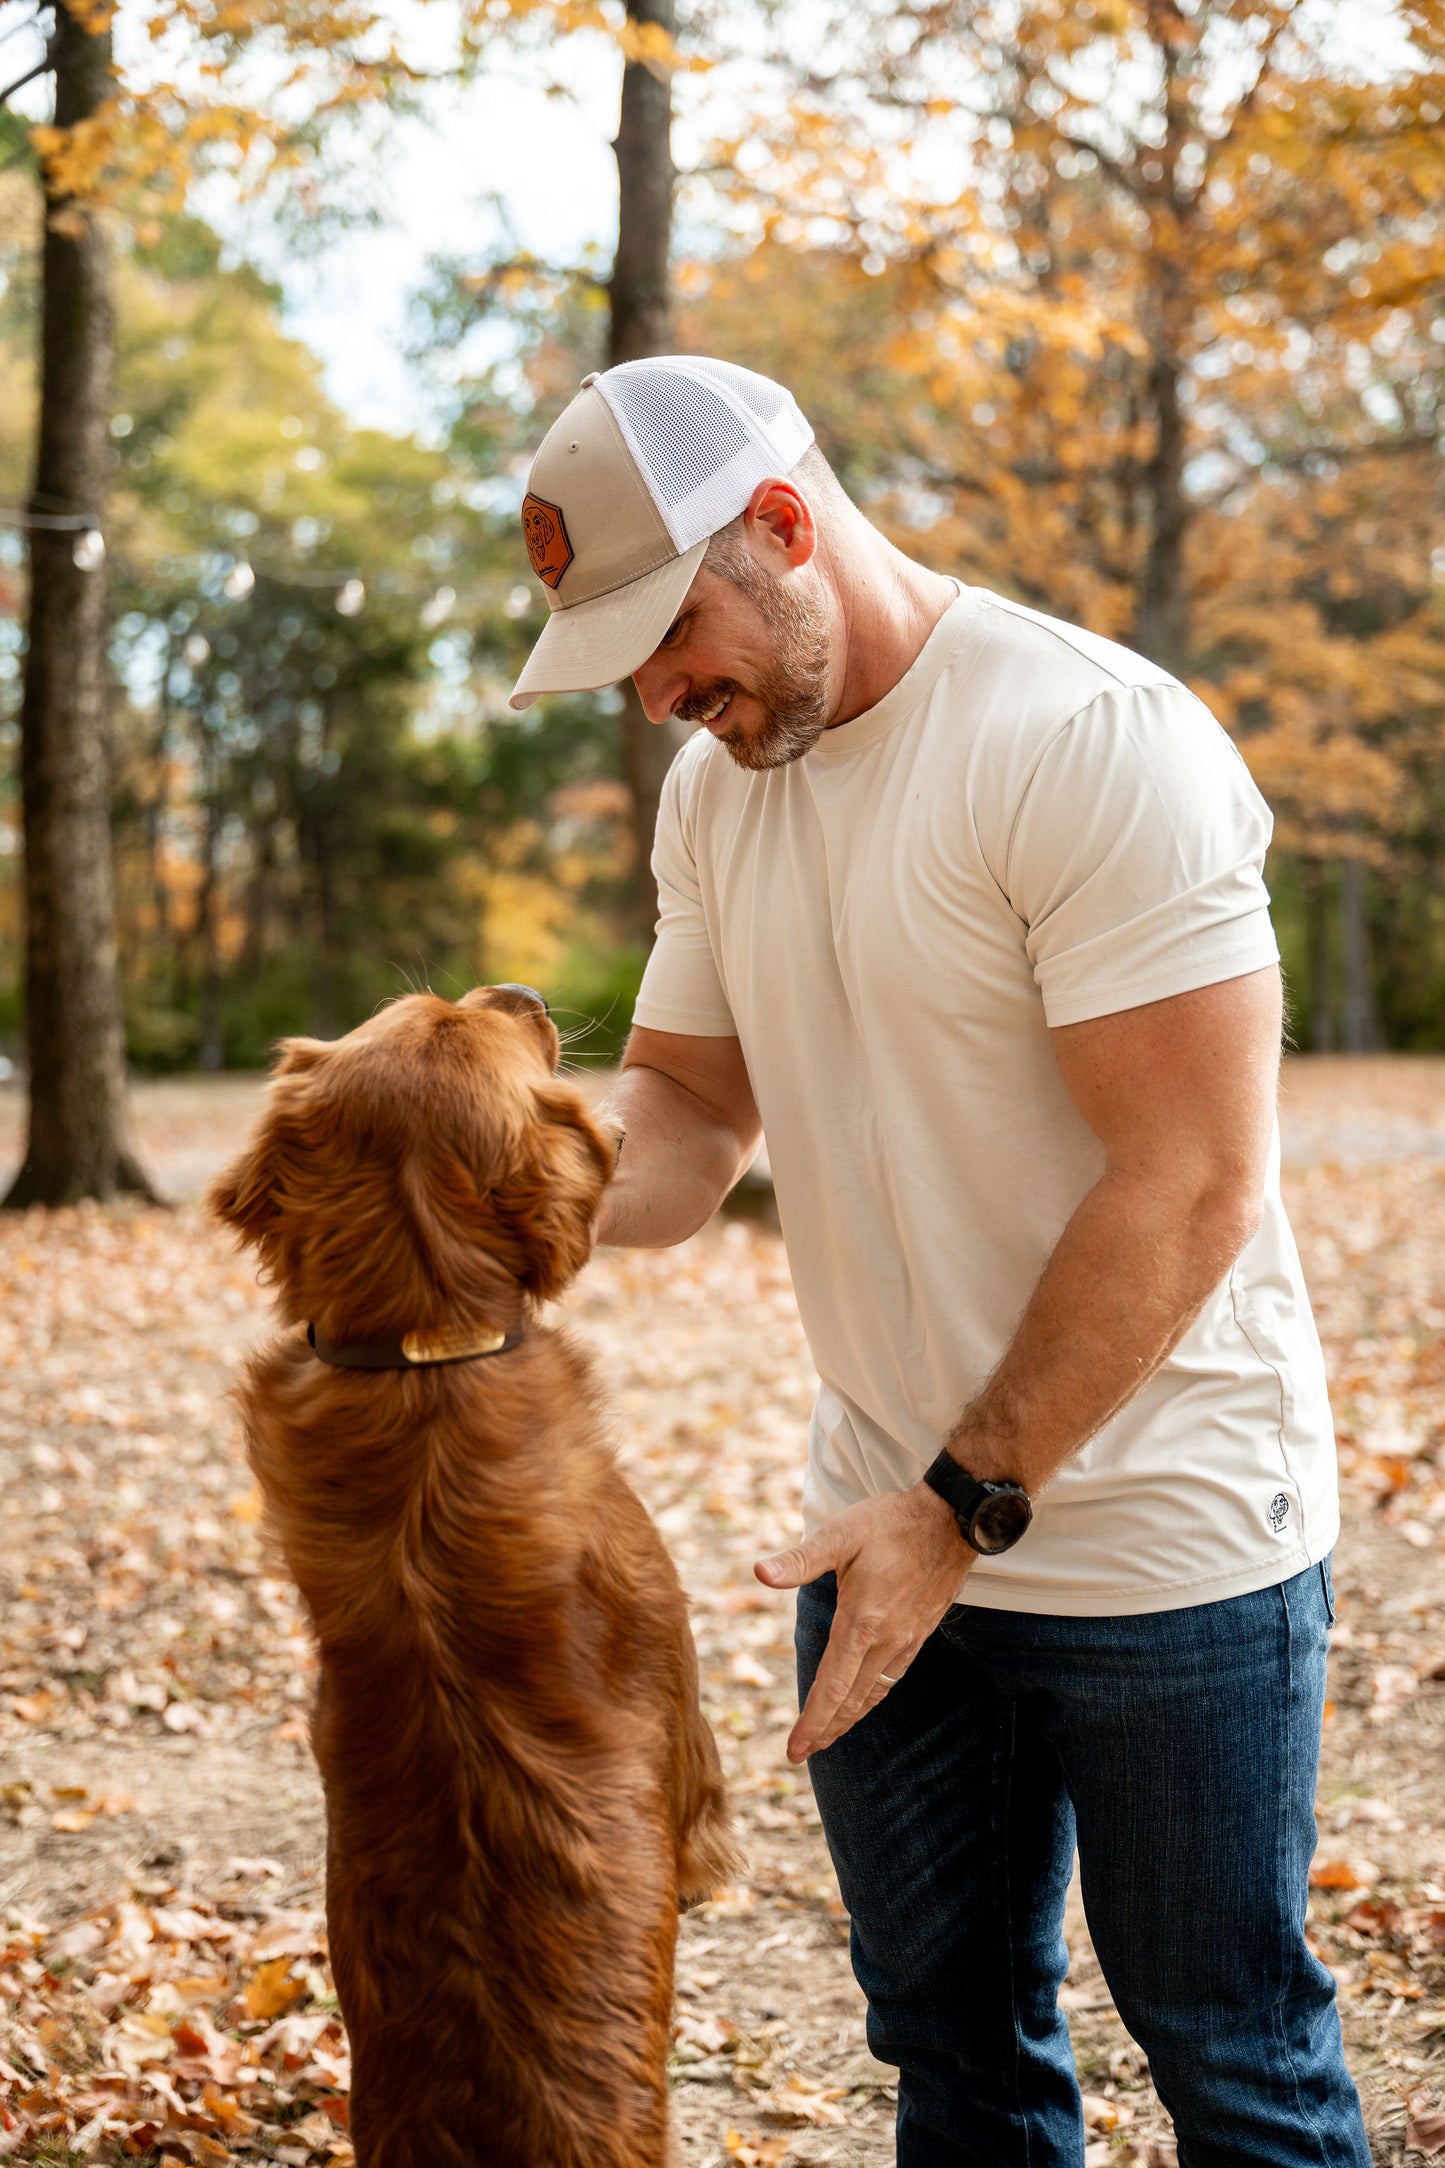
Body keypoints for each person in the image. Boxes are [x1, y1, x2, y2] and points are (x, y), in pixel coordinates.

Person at [509, 356, 1369, 2167]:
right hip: (879, 1533)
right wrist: (491, 1185)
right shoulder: (718, 793)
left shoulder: (1084, 739)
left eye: (670, 640)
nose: (661, 699)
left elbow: (1191, 1178)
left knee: (1236, 2067)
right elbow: (684, 1117)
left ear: (785, 527)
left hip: (1162, 1550)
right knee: (957, 2062)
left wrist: (953, 1502)